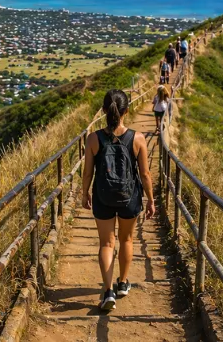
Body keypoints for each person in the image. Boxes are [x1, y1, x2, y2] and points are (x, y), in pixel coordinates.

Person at [82, 90, 156, 312]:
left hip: (102, 197)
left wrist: (85, 193)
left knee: (106, 243)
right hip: (129, 197)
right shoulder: (138, 138)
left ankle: (108, 292)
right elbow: (145, 175)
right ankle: (123, 283)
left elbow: (87, 173)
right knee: (127, 240)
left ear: (104, 111)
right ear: (126, 111)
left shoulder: (93, 138)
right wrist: (151, 200)